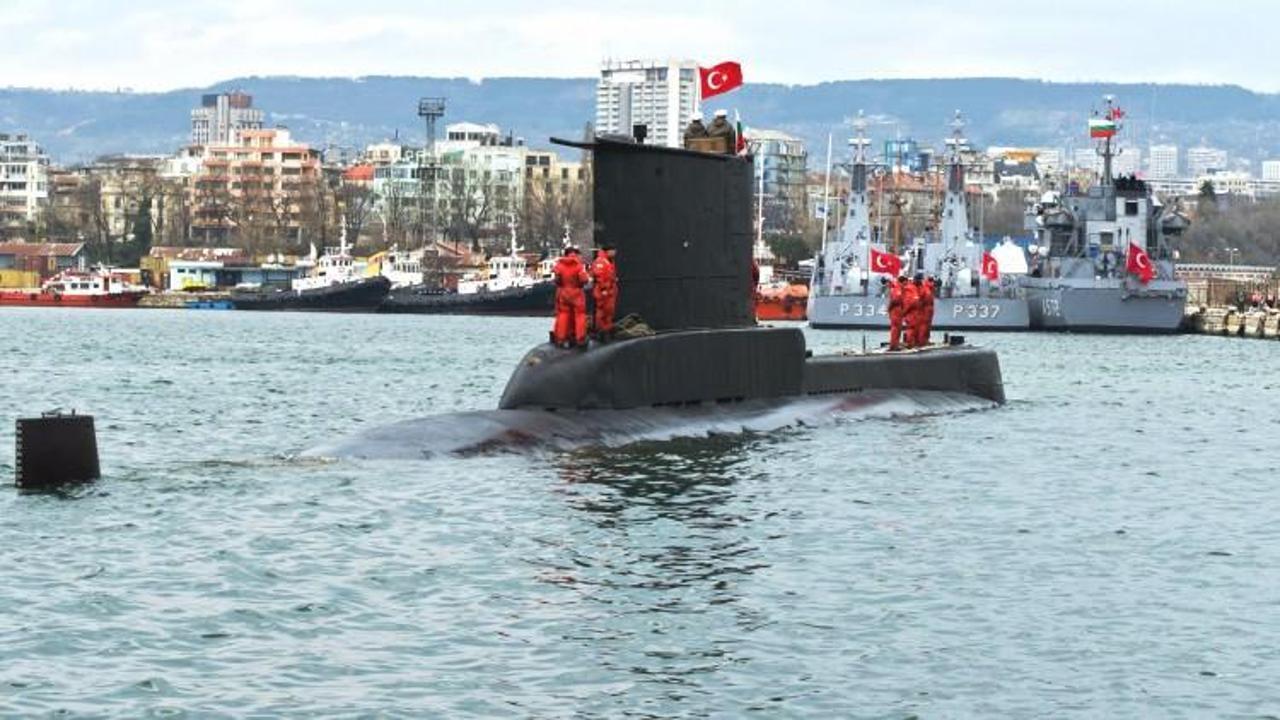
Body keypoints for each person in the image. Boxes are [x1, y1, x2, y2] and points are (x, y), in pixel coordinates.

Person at [552, 247, 590, 348]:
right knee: (580, 315)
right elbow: (584, 280)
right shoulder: (578, 265)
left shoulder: (559, 265)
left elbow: (557, 280)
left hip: (564, 292)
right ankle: (580, 338)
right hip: (576, 292)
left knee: (563, 315)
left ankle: (561, 338)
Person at [590, 245, 618, 340]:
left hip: (610, 291)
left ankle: (607, 330)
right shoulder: (601, 261)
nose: (615, 253)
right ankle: (601, 331)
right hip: (603, 291)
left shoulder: (609, 261)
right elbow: (599, 276)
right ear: (608, 251)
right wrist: (604, 289)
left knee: (609, 312)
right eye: (613, 251)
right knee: (602, 312)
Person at [914, 273, 935, 347]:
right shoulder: (924, 287)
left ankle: (924, 340)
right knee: (923, 325)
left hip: (927, 307)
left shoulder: (926, 287)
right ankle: (921, 341)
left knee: (926, 325)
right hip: (924, 308)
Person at [901, 273, 921, 349]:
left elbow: (910, 302)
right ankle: (912, 343)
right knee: (912, 327)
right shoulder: (913, 288)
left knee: (911, 328)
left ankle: (910, 343)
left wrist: (903, 312)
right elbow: (914, 300)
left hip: (911, 311)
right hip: (913, 311)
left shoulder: (909, 288)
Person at [887, 274, 906, 351]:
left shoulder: (900, 288)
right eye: (905, 282)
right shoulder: (897, 289)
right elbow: (894, 300)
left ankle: (896, 345)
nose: (906, 283)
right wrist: (889, 309)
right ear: (902, 281)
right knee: (895, 329)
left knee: (898, 329)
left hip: (899, 310)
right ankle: (893, 346)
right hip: (896, 310)